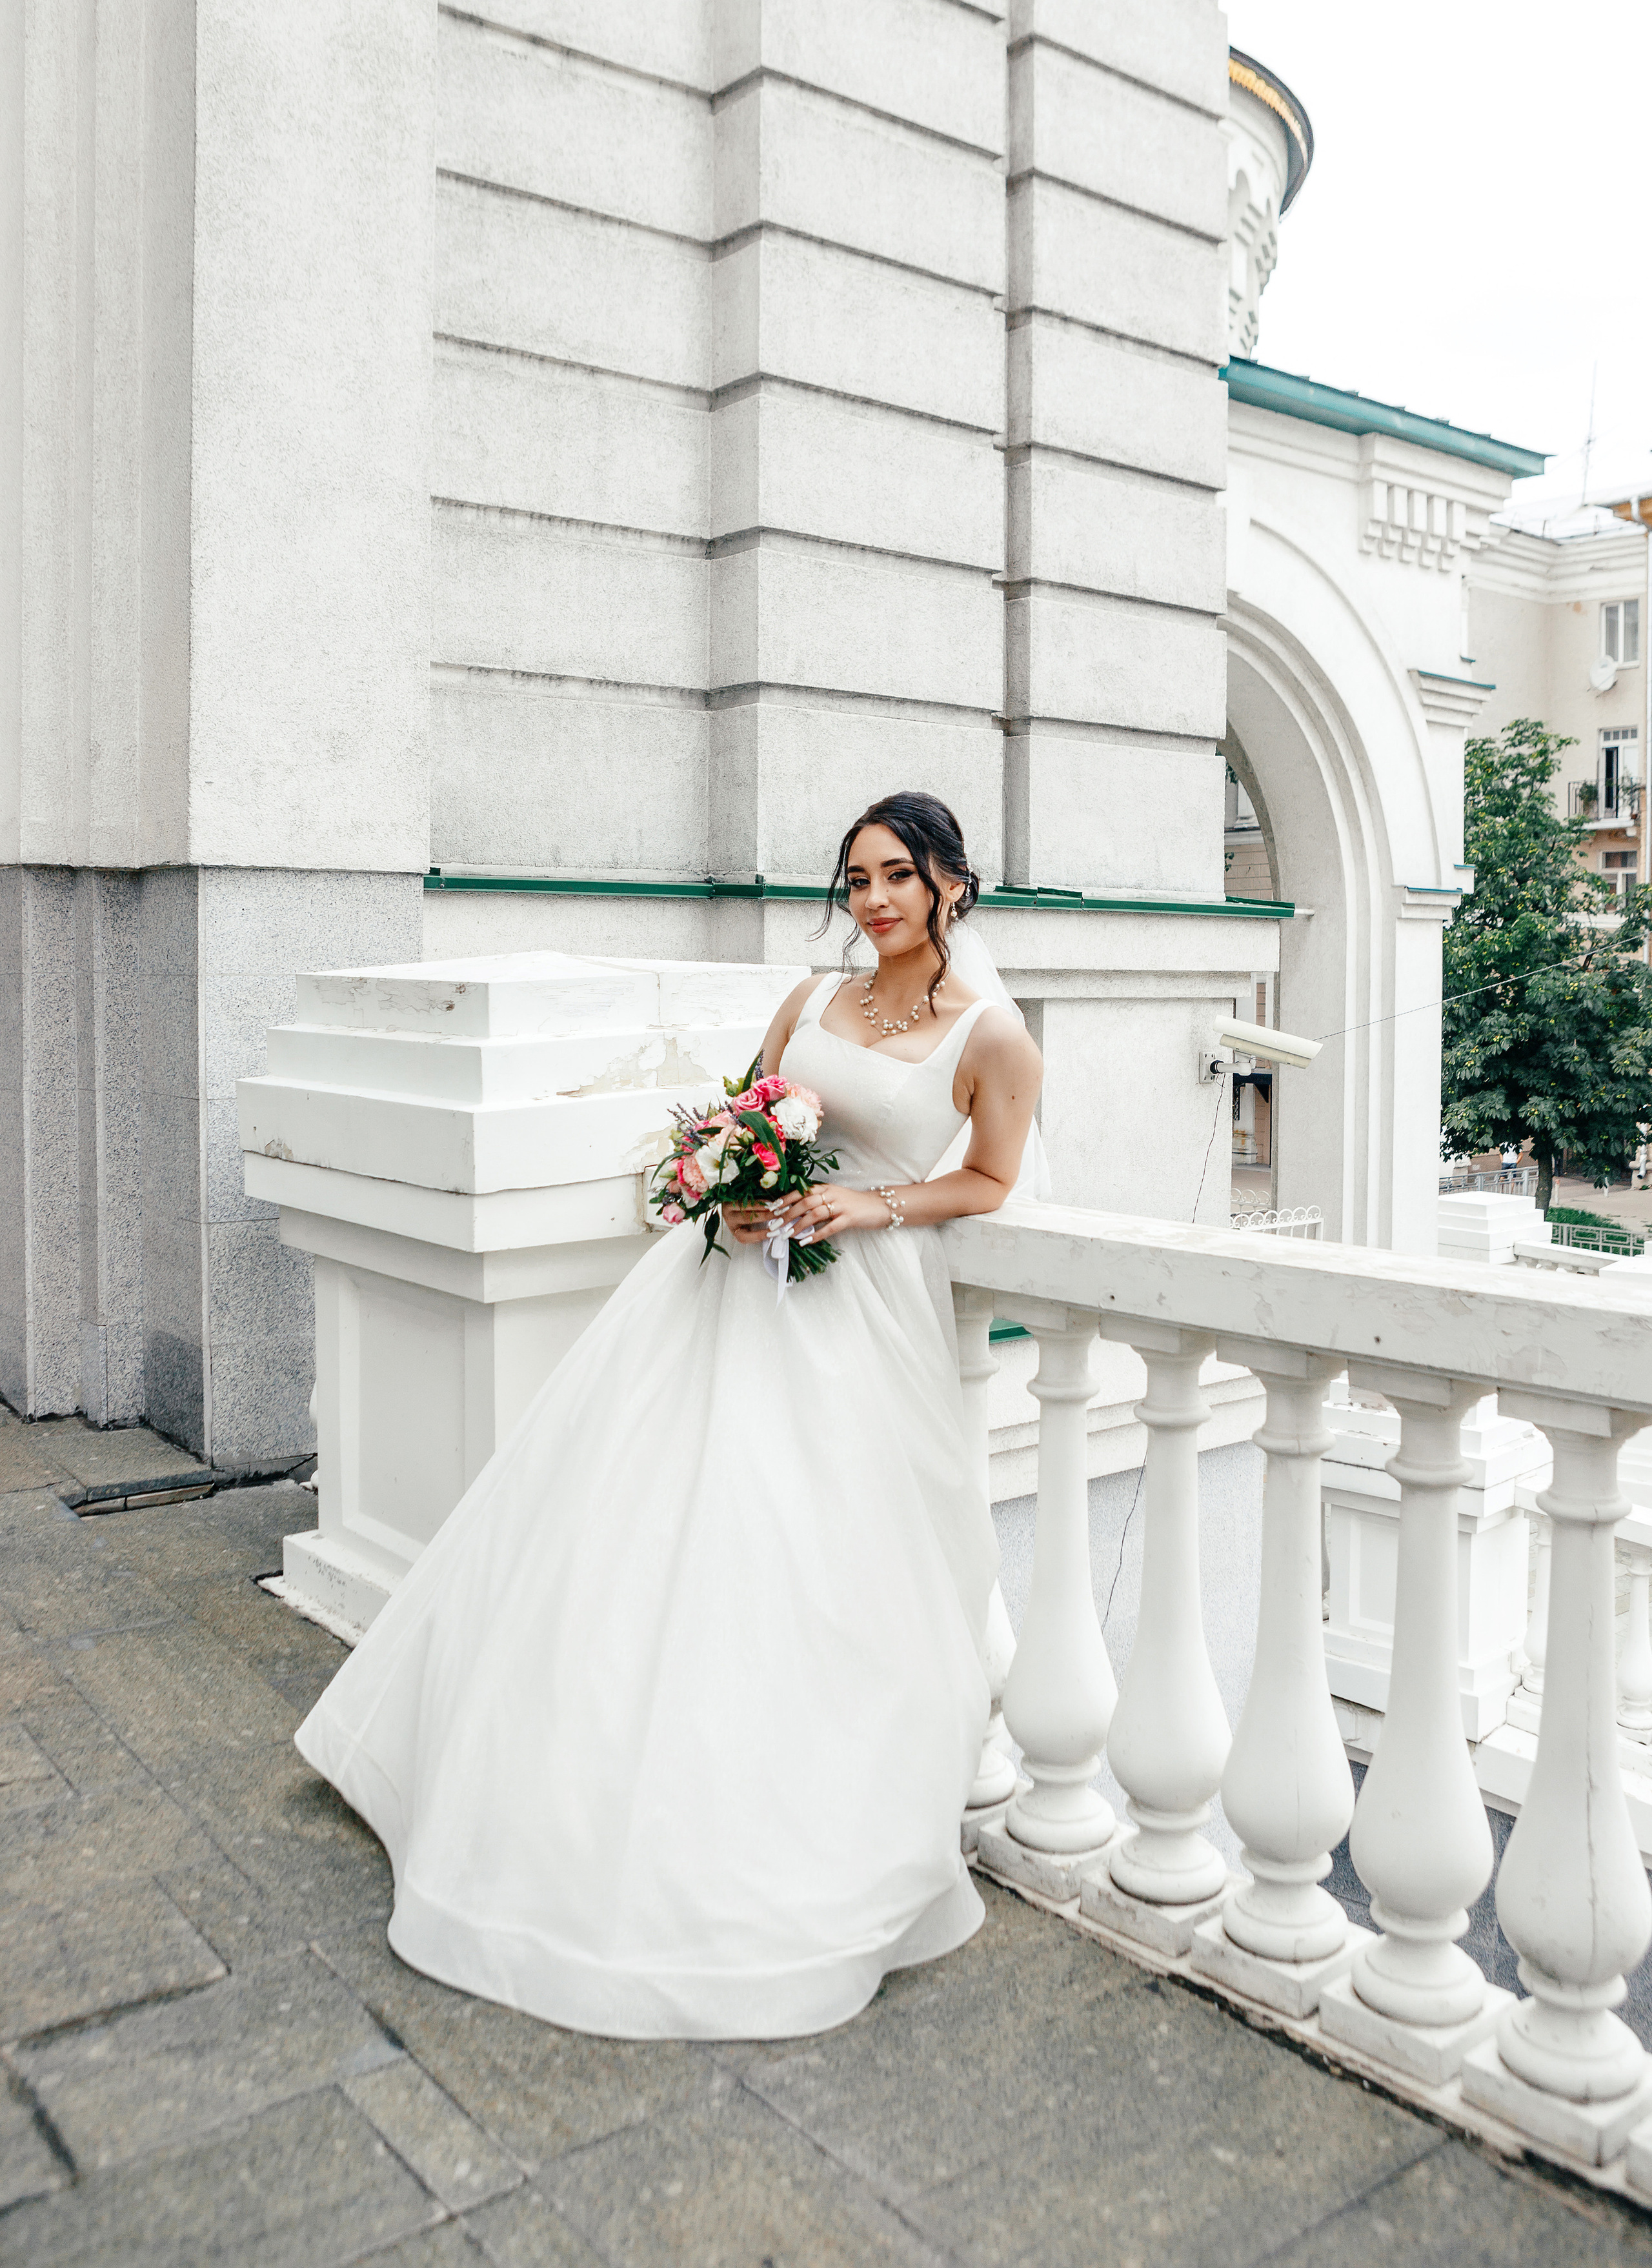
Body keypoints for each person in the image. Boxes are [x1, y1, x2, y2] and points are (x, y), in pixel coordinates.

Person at [295, 791, 1043, 2040]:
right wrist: (734, 1194)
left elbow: (992, 1178)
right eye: (855, 879)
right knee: (641, 1531)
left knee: (814, 1558)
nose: (872, 901)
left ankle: (797, 1822)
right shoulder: (809, 1004)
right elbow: (744, 1114)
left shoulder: (994, 1033)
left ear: (952, 885)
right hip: (730, 1288)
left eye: (897, 877)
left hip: (858, 1321)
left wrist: (875, 1207)